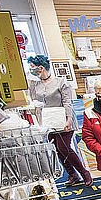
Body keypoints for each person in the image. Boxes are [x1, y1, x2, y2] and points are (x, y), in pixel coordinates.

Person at [26, 55, 92, 187]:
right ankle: (72, 175)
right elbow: (33, 102)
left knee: (64, 147)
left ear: (41, 68)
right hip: (47, 121)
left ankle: (84, 173)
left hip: (63, 119)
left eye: (32, 67)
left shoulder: (61, 82)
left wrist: (69, 119)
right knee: (57, 149)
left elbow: (68, 102)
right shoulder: (34, 84)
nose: (31, 70)